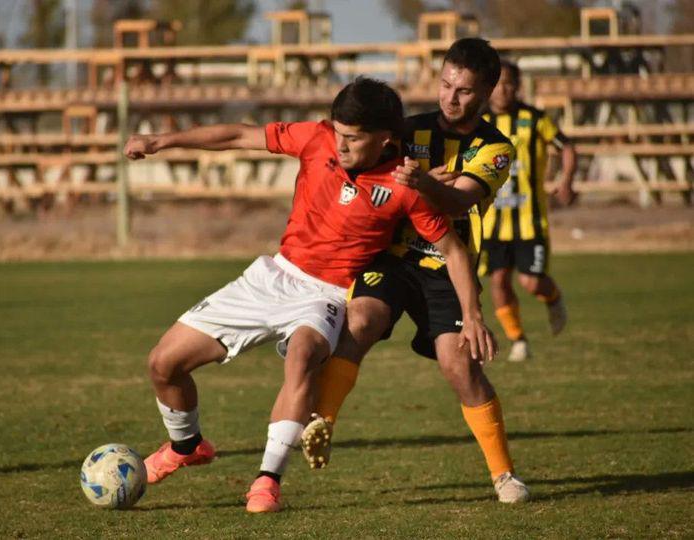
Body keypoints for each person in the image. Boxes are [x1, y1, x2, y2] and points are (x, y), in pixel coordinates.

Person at [123, 77, 495, 513]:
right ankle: (186, 447)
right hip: (273, 275)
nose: (341, 145)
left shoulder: (405, 186)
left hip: (329, 294)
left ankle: (267, 480)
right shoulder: (316, 139)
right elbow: (238, 135)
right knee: (163, 364)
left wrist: (472, 314)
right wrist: (160, 141)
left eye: (353, 138)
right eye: (338, 132)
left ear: (385, 138)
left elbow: (453, 250)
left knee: (303, 354)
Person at [301, 38, 531, 503]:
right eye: (445, 85)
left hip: (448, 265)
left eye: (464, 91)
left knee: (459, 365)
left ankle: (504, 475)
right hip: (393, 258)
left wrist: (421, 182)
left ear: (486, 91)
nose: (450, 98)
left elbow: (458, 202)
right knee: (360, 320)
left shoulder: (495, 148)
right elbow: (360, 167)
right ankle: (321, 421)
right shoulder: (407, 131)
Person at [479, 60, 577, 361]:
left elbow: (567, 147)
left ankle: (554, 297)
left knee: (531, 281)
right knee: (498, 281)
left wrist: (566, 180)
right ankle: (518, 339)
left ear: (518, 86)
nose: (503, 90)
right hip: (492, 223)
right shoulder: (479, 123)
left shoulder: (534, 119)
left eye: (509, 83)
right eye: (498, 83)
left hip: (529, 220)